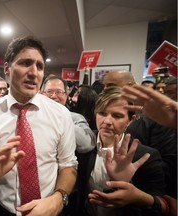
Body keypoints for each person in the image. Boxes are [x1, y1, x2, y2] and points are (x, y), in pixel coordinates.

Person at [0, 35, 78, 216]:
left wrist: (59, 199)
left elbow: (68, 165)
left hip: (48, 210)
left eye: (39, 66)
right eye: (26, 63)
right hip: (2, 210)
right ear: (7, 70)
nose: (34, 72)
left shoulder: (60, 113)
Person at [75, 86, 166, 216]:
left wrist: (134, 193)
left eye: (117, 116)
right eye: (102, 113)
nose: (107, 121)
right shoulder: (83, 146)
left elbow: (159, 205)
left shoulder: (145, 157)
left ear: (131, 120)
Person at [103, 70, 177, 198]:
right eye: (104, 86)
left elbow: (166, 164)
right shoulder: (103, 112)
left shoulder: (156, 117)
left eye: (111, 86)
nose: (105, 90)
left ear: (131, 86)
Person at [41, 76, 96, 153]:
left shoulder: (75, 118)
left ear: (66, 96)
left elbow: (87, 145)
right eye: (49, 92)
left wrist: (60, 118)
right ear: (42, 95)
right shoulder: (33, 116)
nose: (53, 96)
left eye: (59, 92)